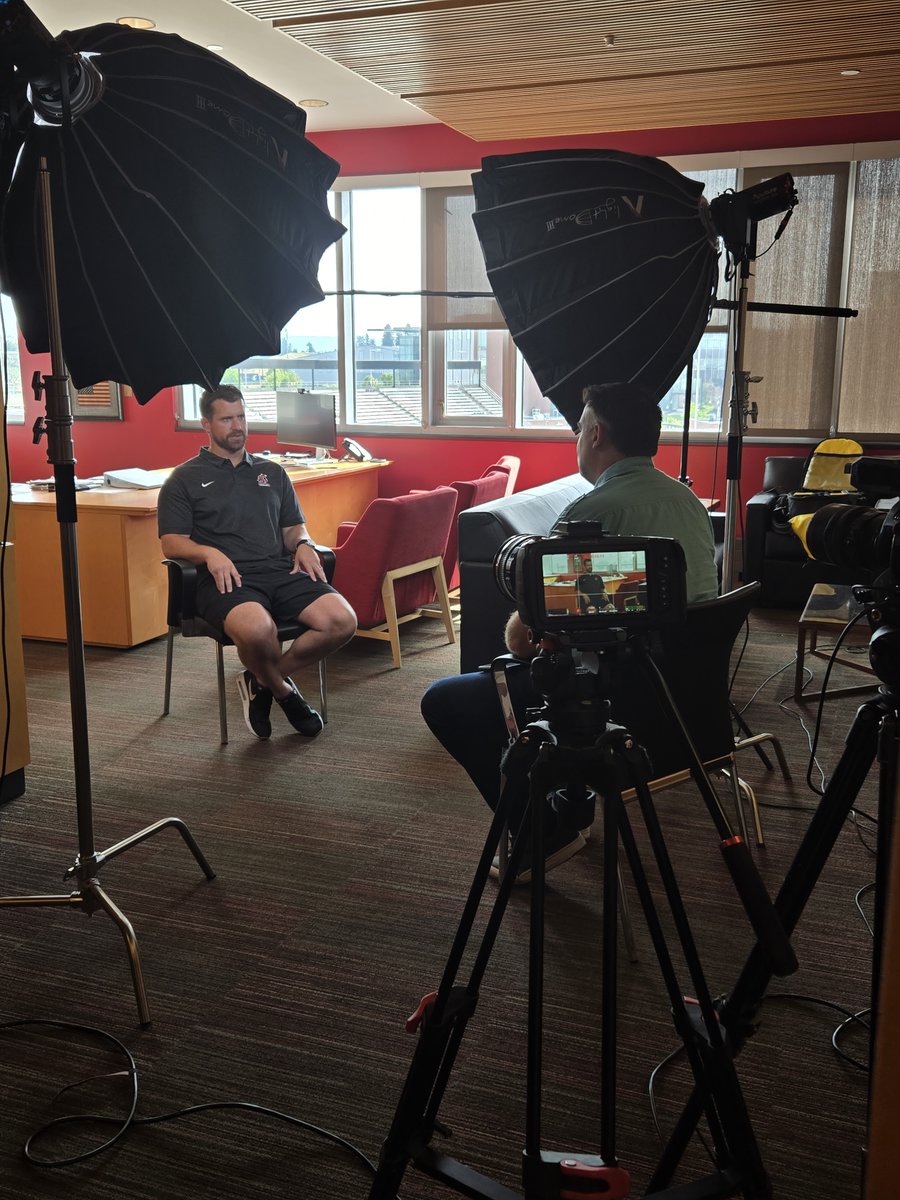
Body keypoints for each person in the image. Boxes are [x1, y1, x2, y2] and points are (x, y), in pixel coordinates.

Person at [420, 380, 719, 881]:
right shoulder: (687, 500)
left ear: (597, 434)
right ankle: (566, 804)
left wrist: (526, 601)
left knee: (449, 699)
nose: (577, 439)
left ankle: (542, 833)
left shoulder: (588, 515)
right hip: (690, 703)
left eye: (579, 429)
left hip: (614, 703)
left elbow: (525, 642)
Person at [158, 385, 357, 740]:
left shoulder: (273, 472)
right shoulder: (183, 478)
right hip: (226, 579)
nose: (238, 426)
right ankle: (284, 692)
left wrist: (303, 544)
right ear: (206, 424)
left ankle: (261, 680)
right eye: (227, 419)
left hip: (279, 570)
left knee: (343, 621)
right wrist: (209, 553)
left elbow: (293, 528)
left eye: (242, 417)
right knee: (257, 632)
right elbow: (171, 542)